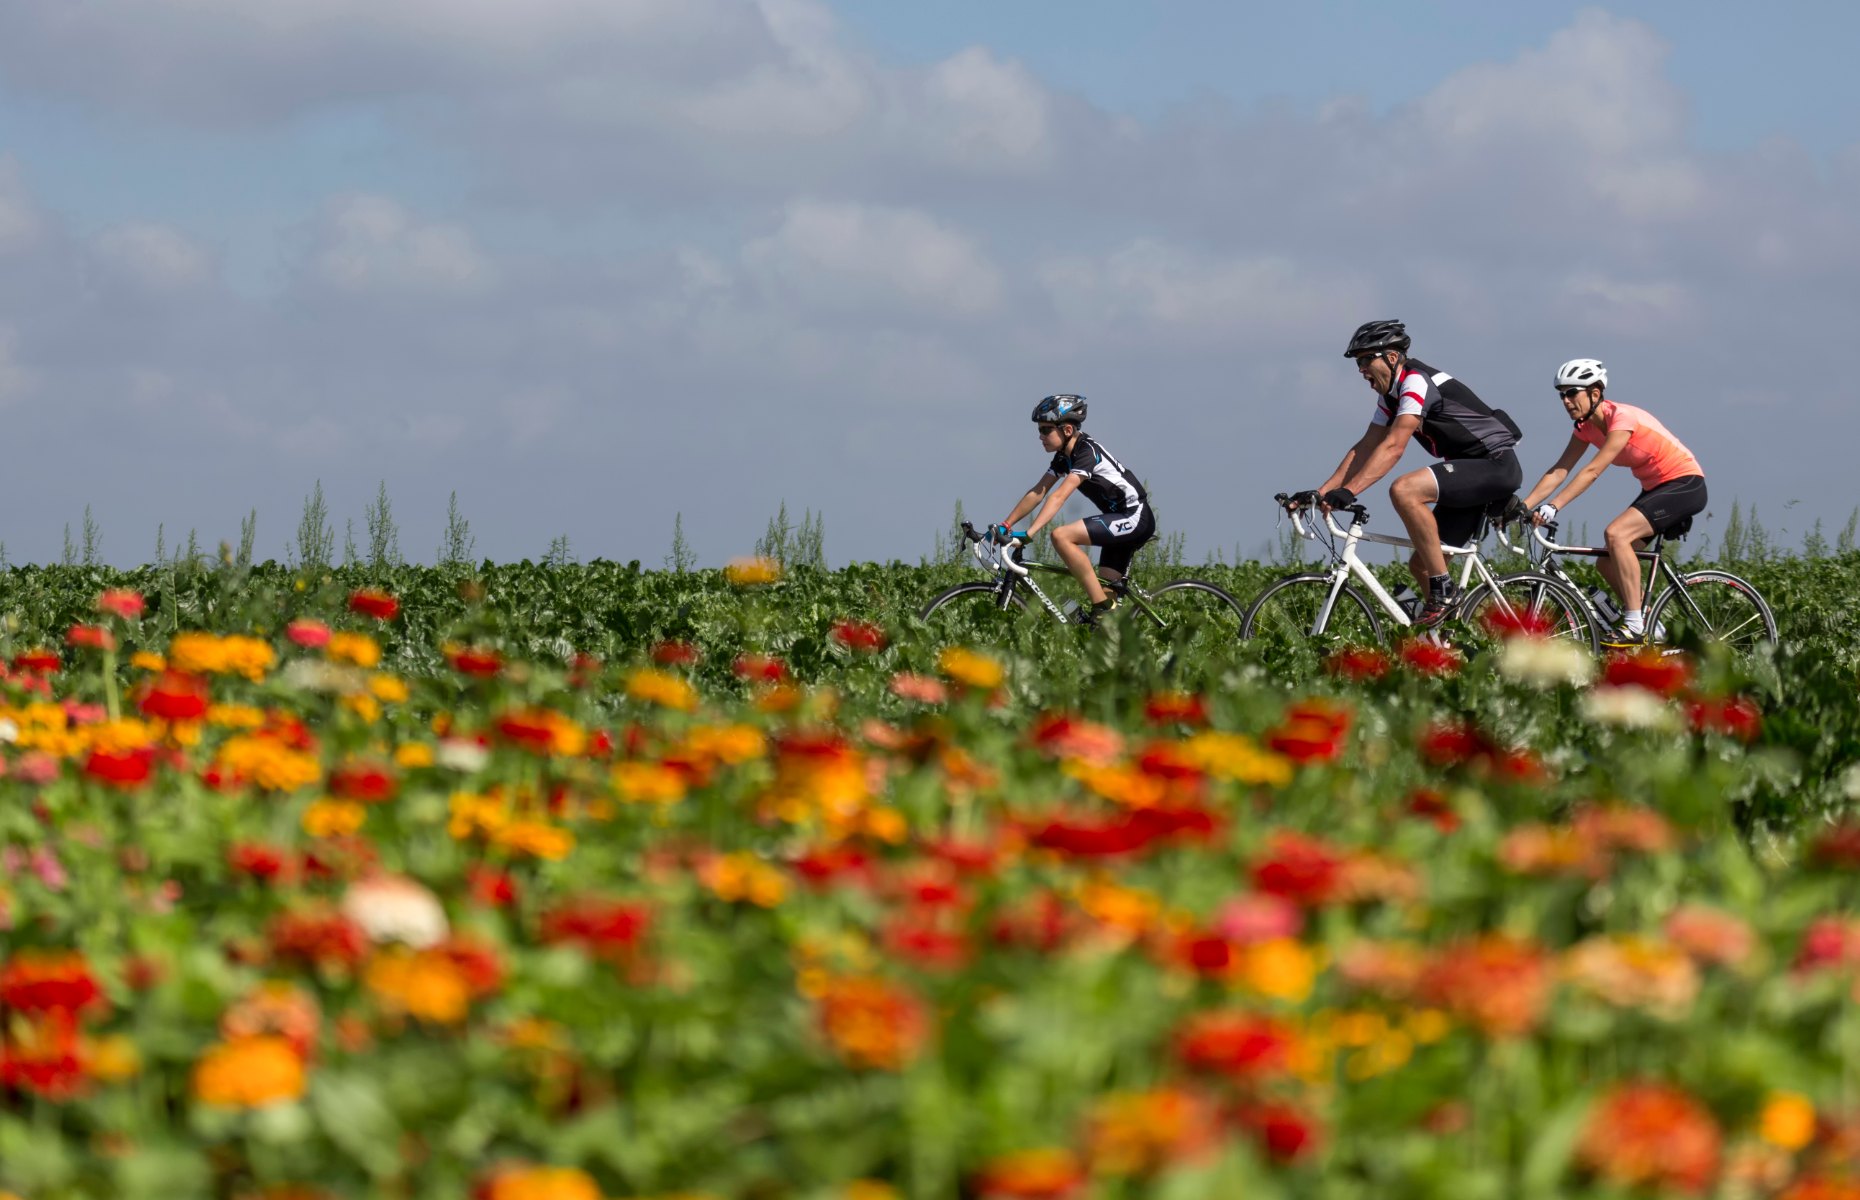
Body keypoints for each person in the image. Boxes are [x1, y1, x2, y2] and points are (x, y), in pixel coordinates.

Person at [1299, 319, 1523, 628]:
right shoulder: (1390, 395)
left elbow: (1393, 446)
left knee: (1405, 489)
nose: (1360, 369)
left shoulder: (1416, 381)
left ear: (1391, 358)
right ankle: (1458, 638)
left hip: (1495, 465)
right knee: (1421, 565)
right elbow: (1366, 446)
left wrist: (1351, 491)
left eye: (1366, 359)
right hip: (1469, 473)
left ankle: (1444, 591)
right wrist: (1322, 492)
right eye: (1358, 362)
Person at [1518, 358, 1707, 643]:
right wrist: (1523, 505)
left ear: (1595, 393)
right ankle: (1650, 624)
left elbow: (1592, 471)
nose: (1566, 401)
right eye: (1562, 395)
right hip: (1656, 489)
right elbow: (1560, 470)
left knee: (1616, 534)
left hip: (1685, 483)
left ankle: (1634, 623)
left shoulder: (1622, 419)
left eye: (1572, 393)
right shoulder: (1586, 428)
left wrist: (1554, 505)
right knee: (1606, 564)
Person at [992, 394, 1155, 625]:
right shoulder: (1063, 458)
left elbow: (1059, 496)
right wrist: (1005, 524)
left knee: (1061, 536)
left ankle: (1104, 611)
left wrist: (1030, 534)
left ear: (1067, 430)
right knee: (1104, 616)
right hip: (1117, 519)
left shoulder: (1086, 452)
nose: (1040, 436)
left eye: (1046, 430)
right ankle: (1112, 633)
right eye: (1039, 430)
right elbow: (1038, 492)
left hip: (1135, 516)